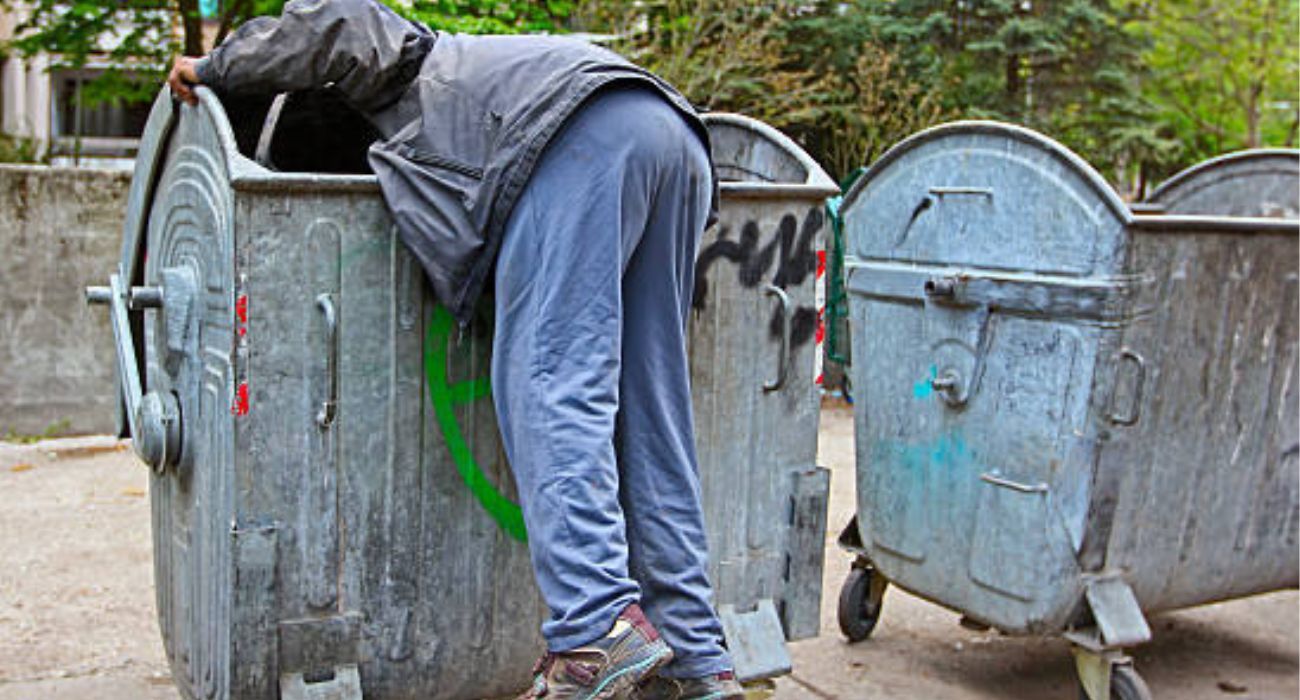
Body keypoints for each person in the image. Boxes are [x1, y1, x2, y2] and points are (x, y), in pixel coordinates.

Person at [168, 1, 741, 698]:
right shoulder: (481, 76)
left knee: (552, 382)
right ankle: (694, 654)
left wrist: (214, 66)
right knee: (652, 412)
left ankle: (594, 629)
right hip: (670, 136)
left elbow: (338, 20)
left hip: (579, 140)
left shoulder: (416, 59)